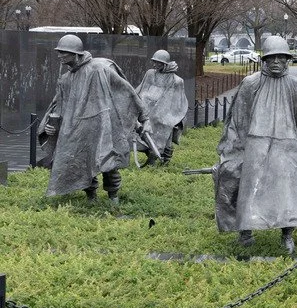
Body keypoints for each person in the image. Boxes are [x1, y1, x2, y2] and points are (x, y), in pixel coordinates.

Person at [214, 36, 297, 254]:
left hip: (288, 146)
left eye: (281, 57)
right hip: (256, 143)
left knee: (288, 192)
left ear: (287, 60)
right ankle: (245, 232)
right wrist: (235, 149)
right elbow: (239, 119)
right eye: (271, 57)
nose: (276, 62)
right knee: (248, 187)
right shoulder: (251, 83)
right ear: (264, 59)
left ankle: (287, 234)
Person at [37, 34, 150, 204]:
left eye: (64, 52)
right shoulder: (66, 79)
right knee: (82, 163)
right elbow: (58, 105)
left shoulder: (99, 68)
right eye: (59, 52)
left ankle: (114, 199)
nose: (60, 55)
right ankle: (91, 197)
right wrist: (49, 126)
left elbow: (127, 91)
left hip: (103, 125)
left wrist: (144, 118)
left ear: (76, 53)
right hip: (78, 129)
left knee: (108, 163)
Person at [134, 49, 189, 166]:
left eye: (158, 63)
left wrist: (166, 115)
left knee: (163, 125)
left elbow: (176, 102)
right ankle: (150, 152)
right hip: (148, 109)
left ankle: (163, 158)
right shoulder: (150, 74)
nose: (155, 65)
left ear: (165, 63)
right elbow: (141, 90)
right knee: (143, 128)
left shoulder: (176, 81)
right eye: (154, 62)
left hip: (165, 113)